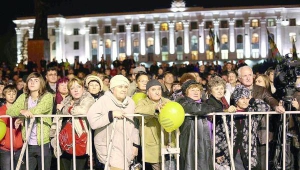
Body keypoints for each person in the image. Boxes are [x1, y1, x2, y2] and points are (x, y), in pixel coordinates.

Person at [87, 75, 140, 169]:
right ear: (112, 89)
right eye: (120, 87)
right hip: (108, 147)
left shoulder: (131, 102)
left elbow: (134, 125)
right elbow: (93, 121)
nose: (123, 89)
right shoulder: (103, 100)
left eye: (125, 87)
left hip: (127, 147)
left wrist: (136, 144)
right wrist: (111, 115)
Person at [215, 84, 271, 170]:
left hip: (248, 152)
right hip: (231, 153)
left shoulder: (253, 113)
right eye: (242, 98)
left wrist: (252, 100)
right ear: (236, 100)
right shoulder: (228, 114)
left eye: (247, 98)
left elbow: (266, 107)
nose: (245, 101)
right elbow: (219, 134)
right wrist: (218, 152)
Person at [6, 72, 54, 170]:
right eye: (30, 80)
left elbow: (39, 110)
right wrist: (21, 112)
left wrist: (23, 114)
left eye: (36, 80)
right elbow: (10, 111)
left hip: (43, 142)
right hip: (28, 142)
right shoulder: (24, 96)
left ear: (41, 83)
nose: (32, 82)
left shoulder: (47, 96)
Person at [51, 77, 95, 170]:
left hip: (80, 140)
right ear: (69, 91)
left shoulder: (88, 98)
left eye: (78, 87)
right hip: (64, 141)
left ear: (83, 88)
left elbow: (82, 110)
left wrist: (65, 109)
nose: (76, 90)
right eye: (72, 88)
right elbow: (57, 119)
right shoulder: (66, 100)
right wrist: (53, 135)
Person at [176, 80, 221, 170]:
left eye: (198, 90)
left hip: (205, 141)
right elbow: (196, 109)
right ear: (186, 92)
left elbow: (218, 107)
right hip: (190, 142)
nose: (196, 92)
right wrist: (212, 109)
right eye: (192, 90)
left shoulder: (204, 103)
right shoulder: (183, 102)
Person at [135, 79, 175, 170]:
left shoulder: (167, 102)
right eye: (153, 90)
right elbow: (137, 111)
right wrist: (155, 107)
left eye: (159, 89)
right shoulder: (143, 102)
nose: (157, 92)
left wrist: (172, 142)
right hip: (152, 145)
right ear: (148, 92)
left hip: (167, 143)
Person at [0, 85, 23, 170]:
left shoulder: (20, 110)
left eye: (14, 93)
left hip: (19, 147)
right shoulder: (1, 111)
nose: (11, 96)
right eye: (9, 94)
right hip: (5, 148)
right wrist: (3, 142)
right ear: (4, 95)